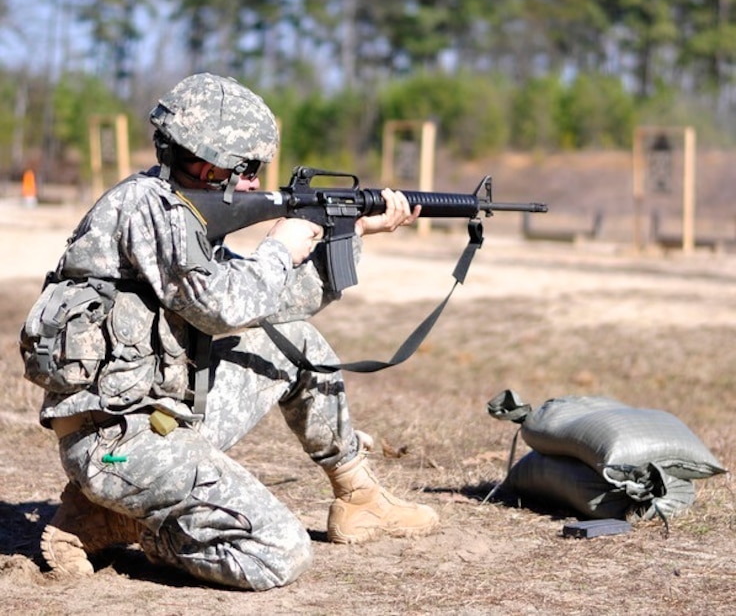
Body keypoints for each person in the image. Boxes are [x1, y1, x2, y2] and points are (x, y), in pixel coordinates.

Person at [22, 72, 439, 591]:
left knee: (295, 341)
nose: (255, 183)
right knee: (277, 553)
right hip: (115, 439)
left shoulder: (184, 214)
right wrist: (279, 247)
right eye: (247, 169)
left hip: (159, 416)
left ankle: (359, 498)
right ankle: (127, 523)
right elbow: (221, 308)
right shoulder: (149, 208)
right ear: (208, 162)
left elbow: (271, 303)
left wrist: (350, 235)